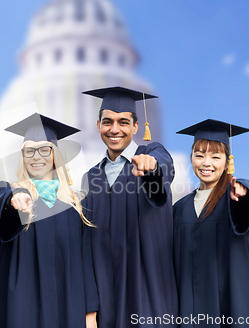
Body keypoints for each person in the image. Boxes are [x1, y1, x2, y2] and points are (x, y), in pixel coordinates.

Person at [0, 113, 99, 328]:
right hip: (21, 307)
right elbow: (0, 208)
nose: (36, 156)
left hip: (68, 307)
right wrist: (16, 197)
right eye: (29, 151)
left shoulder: (76, 204)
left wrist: (90, 314)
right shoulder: (9, 191)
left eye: (44, 150)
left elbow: (86, 263)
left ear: (56, 154)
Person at [174, 119, 249, 327]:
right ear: (191, 159)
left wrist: (242, 192)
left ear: (227, 161)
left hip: (231, 306)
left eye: (215, 156)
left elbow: (248, 204)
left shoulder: (233, 196)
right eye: (199, 156)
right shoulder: (179, 209)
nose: (206, 163)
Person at [81, 87, 178, 327]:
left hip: (147, 295)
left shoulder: (152, 154)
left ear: (136, 127)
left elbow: (162, 172)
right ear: (98, 126)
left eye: (123, 122)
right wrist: (90, 310)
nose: (114, 129)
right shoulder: (90, 177)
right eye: (108, 122)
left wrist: (152, 169)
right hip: (106, 303)